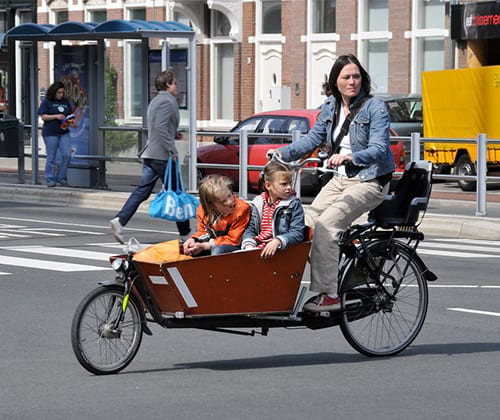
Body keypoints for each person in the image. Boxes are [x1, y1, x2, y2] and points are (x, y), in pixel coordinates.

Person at [267, 54, 395, 312]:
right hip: (340, 180)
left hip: (370, 180)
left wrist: (351, 156)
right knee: (302, 223)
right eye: (346, 77)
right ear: (335, 81)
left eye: (356, 76)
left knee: (326, 226)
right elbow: (313, 138)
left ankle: (329, 294)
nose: (352, 82)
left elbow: (380, 148)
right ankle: (292, 284)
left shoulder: (375, 107)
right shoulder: (330, 106)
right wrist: (283, 153)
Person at [110, 70, 191, 244]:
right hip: (161, 155)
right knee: (176, 192)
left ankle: (119, 221)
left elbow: (158, 127)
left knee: (143, 191)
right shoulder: (168, 101)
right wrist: (172, 148)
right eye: (175, 83)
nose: (177, 86)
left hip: (151, 153)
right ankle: (185, 233)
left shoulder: (155, 100)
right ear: (168, 84)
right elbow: (161, 128)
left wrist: (173, 133)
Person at [241, 161, 304, 259]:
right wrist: (248, 243)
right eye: (284, 184)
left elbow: (297, 233)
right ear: (268, 185)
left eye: (290, 183)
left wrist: (277, 241)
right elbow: (250, 228)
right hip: (258, 248)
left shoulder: (293, 204)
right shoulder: (258, 202)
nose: (289, 187)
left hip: (279, 251)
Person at [183, 175, 250, 256]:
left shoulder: (241, 209)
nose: (230, 202)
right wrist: (193, 239)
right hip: (215, 242)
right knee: (189, 249)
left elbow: (234, 239)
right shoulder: (202, 211)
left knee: (217, 251)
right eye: (223, 201)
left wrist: (205, 246)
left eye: (229, 195)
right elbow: (203, 232)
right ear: (211, 205)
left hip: (236, 245)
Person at [38, 81, 76, 187]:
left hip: (64, 131)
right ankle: (50, 179)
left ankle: (61, 177)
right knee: (51, 156)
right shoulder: (47, 102)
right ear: (54, 92)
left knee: (67, 154)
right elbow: (43, 116)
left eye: (62, 93)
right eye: (59, 92)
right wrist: (56, 116)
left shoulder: (65, 102)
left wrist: (72, 122)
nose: (61, 95)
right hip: (50, 132)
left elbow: (69, 115)